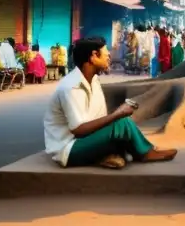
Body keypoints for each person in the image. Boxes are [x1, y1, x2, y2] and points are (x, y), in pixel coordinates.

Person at [43, 36, 177, 169]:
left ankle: (124, 152)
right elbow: (79, 130)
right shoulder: (70, 87)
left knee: (122, 129)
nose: (109, 57)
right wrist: (117, 114)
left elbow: (99, 120)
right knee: (122, 123)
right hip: (69, 149)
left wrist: (116, 118)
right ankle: (145, 153)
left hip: (86, 139)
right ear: (94, 56)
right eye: (106, 54)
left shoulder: (93, 81)